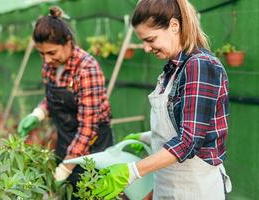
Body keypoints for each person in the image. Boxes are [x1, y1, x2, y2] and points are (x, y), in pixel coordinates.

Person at [93, 0, 232, 199]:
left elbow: (189, 141)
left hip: (195, 189)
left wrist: (132, 171)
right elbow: (179, 125)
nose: (146, 48)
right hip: (168, 186)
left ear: (174, 26)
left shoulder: (200, 66)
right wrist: (145, 137)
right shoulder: (172, 69)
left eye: (150, 39)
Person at [17, 6, 113, 190]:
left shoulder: (86, 69)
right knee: (66, 191)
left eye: (51, 53)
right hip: (66, 137)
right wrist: (39, 113)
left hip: (93, 144)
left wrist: (67, 166)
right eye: (41, 53)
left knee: (90, 190)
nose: (46, 60)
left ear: (68, 42)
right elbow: (52, 98)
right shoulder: (50, 66)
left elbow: (88, 127)